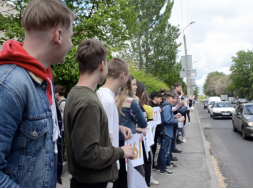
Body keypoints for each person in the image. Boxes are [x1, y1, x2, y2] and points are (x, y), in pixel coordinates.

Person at [0, 0, 75, 188]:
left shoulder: (43, 81)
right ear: (58, 35)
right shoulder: (9, 85)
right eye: (71, 37)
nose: (72, 45)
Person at [64, 39, 135, 188]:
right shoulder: (88, 101)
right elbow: (88, 154)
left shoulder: (76, 93)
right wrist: (120, 152)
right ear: (102, 65)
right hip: (92, 183)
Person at [96, 58, 133, 187]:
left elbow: (101, 126)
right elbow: (106, 137)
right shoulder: (108, 100)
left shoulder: (102, 94)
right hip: (107, 167)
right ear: (123, 75)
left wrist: (118, 127)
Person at [116, 78, 147, 188]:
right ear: (128, 86)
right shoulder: (131, 101)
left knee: (120, 176)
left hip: (115, 143)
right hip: (130, 142)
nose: (136, 87)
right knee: (136, 175)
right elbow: (143, 123)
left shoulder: (112, 99)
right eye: (134, 84)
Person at [156, 92, 185, 175]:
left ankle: (160, 166)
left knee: (163, 150)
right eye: (172, 98)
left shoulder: (166, 106)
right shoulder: (167, 107)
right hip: (166, 131)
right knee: (165, 150)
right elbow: (167, 120)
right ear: (167, 98)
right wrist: (177, 120)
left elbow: (166, 118)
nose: (174, 100)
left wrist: (174, 116)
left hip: (164, 131)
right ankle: (163, 168)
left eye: (175, 98)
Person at [149, 92, 163, 169]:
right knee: (152, 149)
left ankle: (152, 163)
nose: (161, 101)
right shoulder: (150, 106)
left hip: (155, 132)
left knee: (154, 149)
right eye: (160, 99)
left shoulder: (156, 106)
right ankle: (151, 164)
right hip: (152, 132)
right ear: (156, 98)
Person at [55, 85, 67, 160]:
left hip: (63, 128)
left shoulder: (63, 103)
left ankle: (62, 158)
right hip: (61, 128)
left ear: (57, 93)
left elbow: (64, 117)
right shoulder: (60, 103)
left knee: (62, 144)